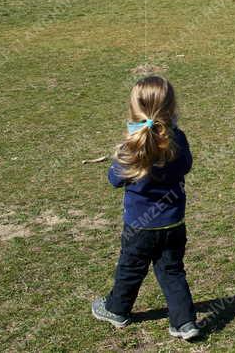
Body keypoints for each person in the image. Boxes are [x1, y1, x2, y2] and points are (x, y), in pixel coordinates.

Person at [91, 76, 200, 340]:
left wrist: (126, 153)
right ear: (172, 108)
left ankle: (117, 309)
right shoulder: (179, 139)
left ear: (134, 109)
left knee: (130, 268)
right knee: (172, 271)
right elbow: (186, 165)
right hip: (174, 225)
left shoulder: (133, 144)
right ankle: (184, 322)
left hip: (139, 228)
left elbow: (114, 179)